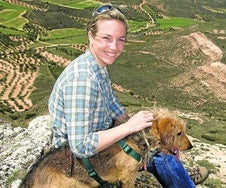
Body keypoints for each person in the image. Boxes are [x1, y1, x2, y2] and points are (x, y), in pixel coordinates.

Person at [48, 4, 208, 187]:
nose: (114, 47)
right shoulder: (82, 80)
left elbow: (111, 103)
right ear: (91, 36)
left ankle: (178, 177)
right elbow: (81, 147)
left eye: (120, 39)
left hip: (100, 136)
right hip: (80, 159)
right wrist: (129, 127)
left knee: (153, 137)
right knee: (156, 150)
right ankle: (181, 181)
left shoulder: (96, 65)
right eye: (106, 38)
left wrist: (136, 126)